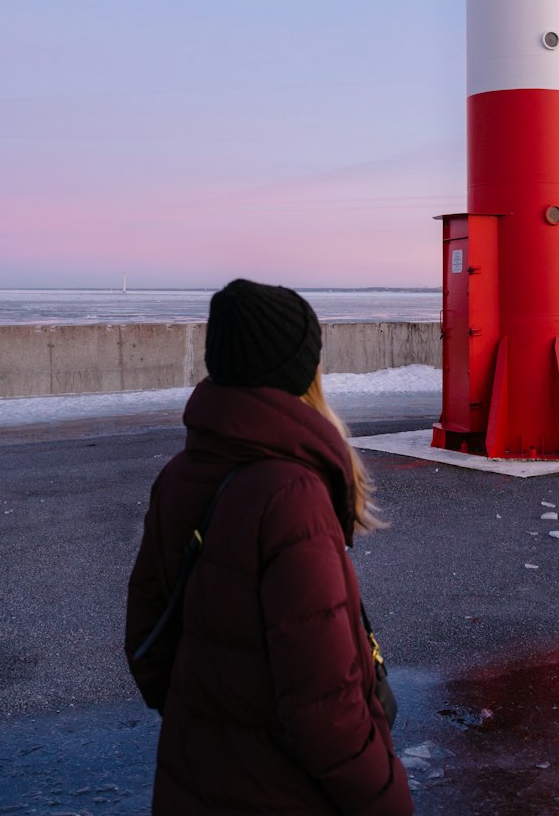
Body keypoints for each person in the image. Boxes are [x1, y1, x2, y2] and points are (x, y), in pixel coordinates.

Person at [125, 278, 413, 816]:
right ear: (301, 370)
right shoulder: (292, 496)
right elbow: (328, 712)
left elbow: (146, 640)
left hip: (193, 780)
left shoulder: (181, 473)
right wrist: (388, 800)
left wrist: (213, 724)